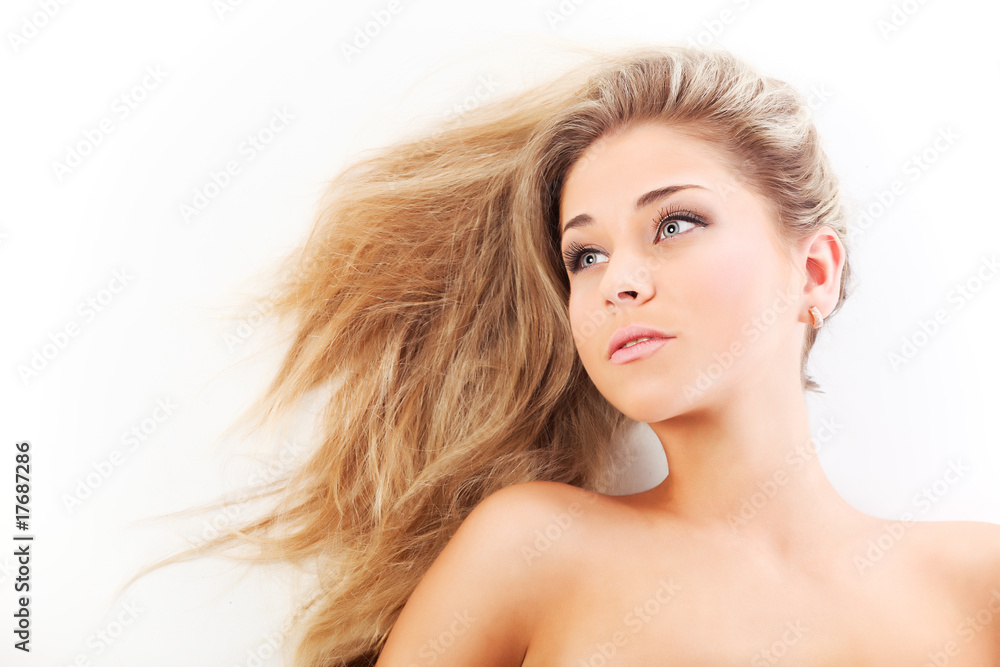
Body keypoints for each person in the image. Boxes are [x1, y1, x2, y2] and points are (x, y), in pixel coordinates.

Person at [129, 44, 1000, 665]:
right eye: (584, 255)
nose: (620, 280)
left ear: (813, 271)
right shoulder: (532, 548)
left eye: (675, 223)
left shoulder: (978, 583)